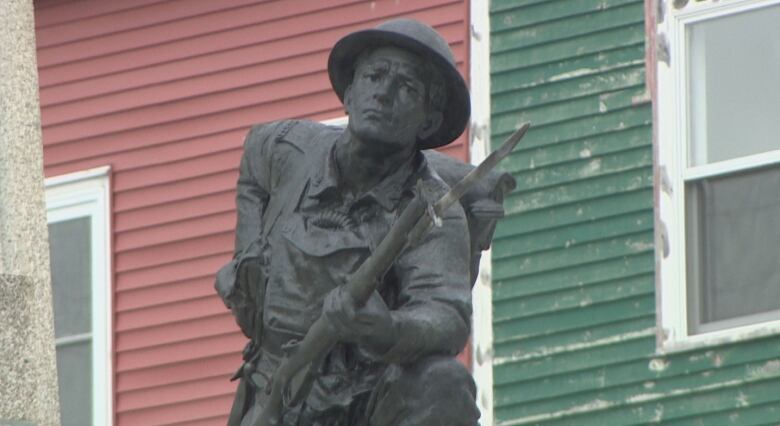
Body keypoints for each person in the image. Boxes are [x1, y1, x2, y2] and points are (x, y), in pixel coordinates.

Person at [216, 18, 512, 426]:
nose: (384, 93)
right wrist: (248, 252)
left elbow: (447, 316)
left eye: (407, 88)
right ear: (350, 93)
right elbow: (253, 158)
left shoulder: (434, 213)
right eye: (373, 76)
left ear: (427, 121)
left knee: (444, 382)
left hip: (368, 400)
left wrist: (386, 328)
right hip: (278, 392)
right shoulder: (287, 148)